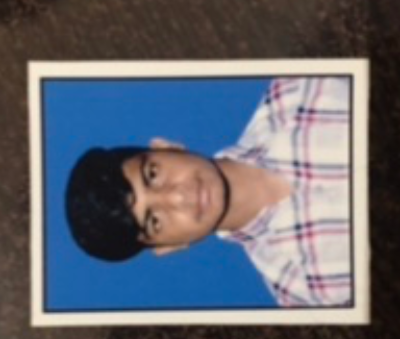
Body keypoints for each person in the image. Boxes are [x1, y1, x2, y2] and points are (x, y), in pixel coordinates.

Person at [66, 77, 351, 307]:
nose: (177, 197)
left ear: (166, 146)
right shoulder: (301, 292)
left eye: (152, 174)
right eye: (154, 221)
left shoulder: (302, 88)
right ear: (169, 247)